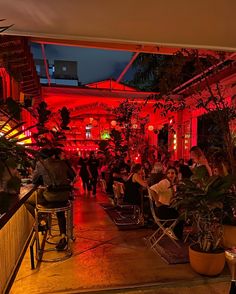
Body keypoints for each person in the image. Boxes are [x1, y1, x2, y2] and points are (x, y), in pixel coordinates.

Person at [25, 148, 75, 251]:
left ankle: (42, 220)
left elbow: (34, 180)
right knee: (59, 212)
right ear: (53, 155)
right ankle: (63, 236)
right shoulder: (63, 163)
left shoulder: (40, 164)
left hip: (50, 199)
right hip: (64, 198)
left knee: (28, 201)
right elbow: (73, 176)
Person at [150, 166, 184, 240]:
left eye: (173, 173)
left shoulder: (172, 184)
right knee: (181, 216)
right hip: (162, 210)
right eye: (168, 173)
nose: (170, 175)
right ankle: (176, 236)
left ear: (176, 174)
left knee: (181, 212)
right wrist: (157, 201)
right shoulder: (164, 182)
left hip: (166, 208)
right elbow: (151, 189)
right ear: (166, 174)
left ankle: (173, 232)